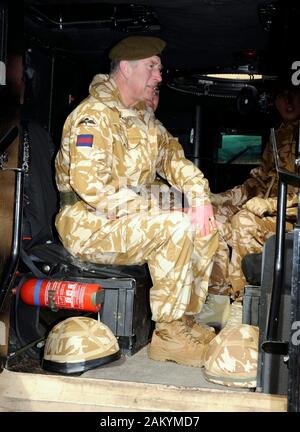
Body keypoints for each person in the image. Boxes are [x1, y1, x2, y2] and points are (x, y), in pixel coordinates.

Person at [55, 36, 219, 368]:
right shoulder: (92, 117)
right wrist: (159, 209)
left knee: (203, 224)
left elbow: (175, 161)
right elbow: (92, 188)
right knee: (174, 225)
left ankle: (184, 321)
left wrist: (201, 200)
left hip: (127, 218)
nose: (159, 76)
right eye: (152, 67)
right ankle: (168, 336)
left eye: (159, 67)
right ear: (126, 69)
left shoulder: (144, 119)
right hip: (88, 221)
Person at [208, 84, 300, 304]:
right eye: (281, 95)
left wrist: (271, 205)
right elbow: (257, 183)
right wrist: (219, 198)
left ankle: (246, 303)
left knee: (244, 222)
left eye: (293, 94)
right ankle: (217, 304)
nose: (287, 102)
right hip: (270, 217)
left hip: (291, 220)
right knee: (213, 217)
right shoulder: (279, 135)